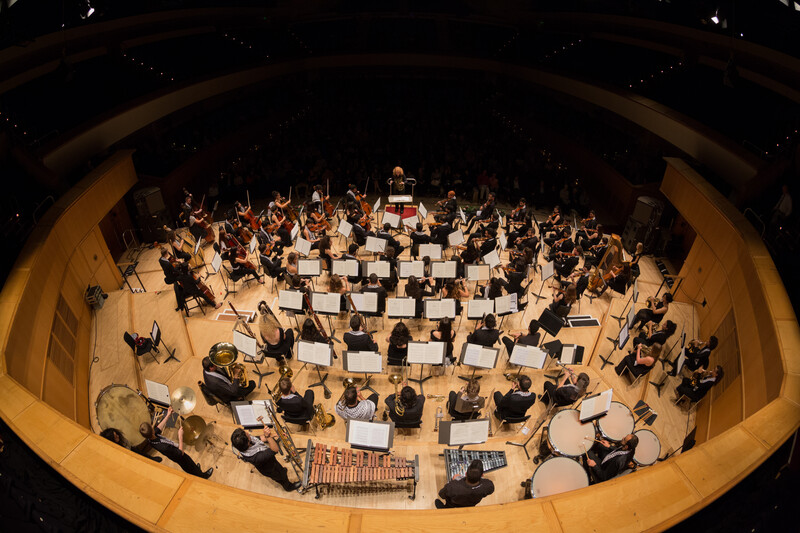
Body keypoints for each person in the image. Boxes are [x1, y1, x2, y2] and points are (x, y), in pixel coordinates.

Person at [139, 409, 212, 478]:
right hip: (179, 457)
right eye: (152, 427)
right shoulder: (164, 447)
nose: (153, 427)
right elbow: (180, 453)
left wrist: (168, 415)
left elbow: (158, 428)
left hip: (174, 451)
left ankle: (197, 469)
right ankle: (203, 476)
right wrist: (180, 436)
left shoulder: (150, 438)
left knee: (191, 463)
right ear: (152, 432)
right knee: (189, 466)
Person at [231, 427, 301, 491]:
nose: (248, 432)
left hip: (271, 461)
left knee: (281, 470)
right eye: (248, 435)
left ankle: (282, 472)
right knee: (281, 477)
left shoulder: (244, 444)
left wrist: (276, 435)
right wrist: (268, 436)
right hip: (270, 469)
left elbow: (260, 438)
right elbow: (275, 450)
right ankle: (288, 487)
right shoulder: (256, 457)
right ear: (248, 442)